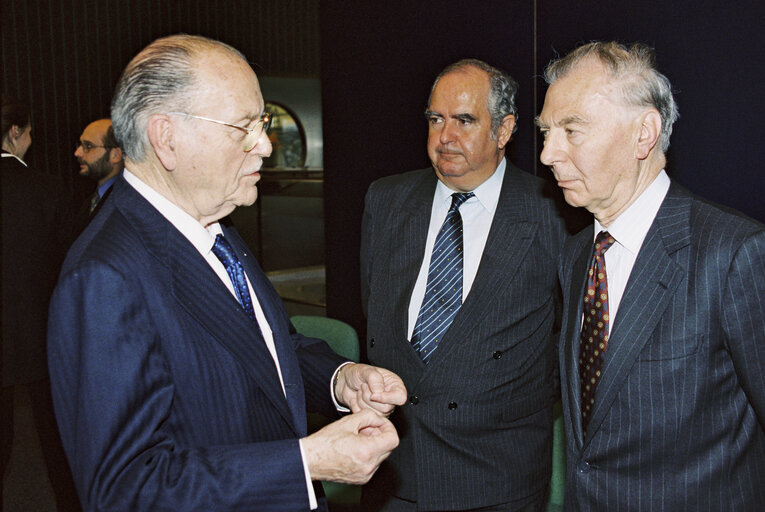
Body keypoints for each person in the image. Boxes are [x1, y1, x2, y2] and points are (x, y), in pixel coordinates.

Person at [47, 34, 406, 512]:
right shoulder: (105, 278)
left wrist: (340, 380)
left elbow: (263, 349)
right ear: (166, 138)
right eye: (244, 127)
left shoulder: (213, 223)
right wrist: (305, 462)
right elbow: (126, 491)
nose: (265, 145)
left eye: (262, 123)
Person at [536, 41, 765, 510]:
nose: (547, 154)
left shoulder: (734, 253)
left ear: (644, 133)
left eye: (571, 130)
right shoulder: (577, 255)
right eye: (545, 131)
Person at [360, 59, 568, 511]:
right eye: (436, 119)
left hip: (497, 478)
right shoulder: (386, 200)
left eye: (465, 120)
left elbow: (565, 344)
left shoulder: (555, 213)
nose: (445, 136)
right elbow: (376, 314)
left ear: (505, 129)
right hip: (394, 472)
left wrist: (492, 393)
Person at [1, 93, 79, 510]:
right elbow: (69, 264)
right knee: (57, 442)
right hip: (42, 334)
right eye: (28, 133)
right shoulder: (47, 188)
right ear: (15, 132)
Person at [74, 118, 123, 214]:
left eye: (88, 146)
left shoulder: (128, 202)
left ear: (116, 155)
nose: (77, 153)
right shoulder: (88, 200)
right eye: (80, 144)